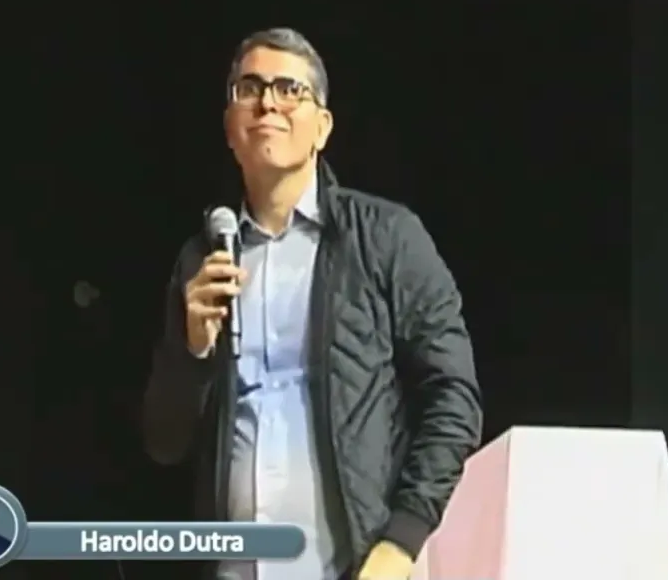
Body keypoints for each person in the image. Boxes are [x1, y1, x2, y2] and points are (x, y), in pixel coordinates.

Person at [142, 28, 483, 580]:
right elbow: (164, 442)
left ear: (322, 127)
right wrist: (192, 351)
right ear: (230, 127)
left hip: (357, 567)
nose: (267, 102)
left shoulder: (385, 237)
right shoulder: (201, 260)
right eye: (249, 88)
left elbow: (454, 398)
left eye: (289, 89)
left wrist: (401, 541)